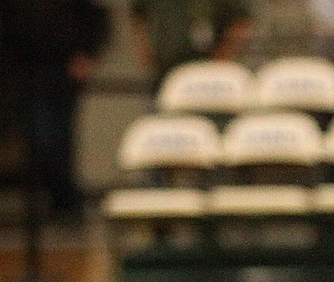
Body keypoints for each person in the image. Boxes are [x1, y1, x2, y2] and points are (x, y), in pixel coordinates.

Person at [0, 0, 111, 221]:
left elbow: (95, 19)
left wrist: (86, 54)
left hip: (60, 72)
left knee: (55, 139)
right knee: (40, 139)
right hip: (25, 74)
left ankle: (65, 202)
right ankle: (58, 200)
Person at [130, 0, 255, 82]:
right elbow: (138, 16)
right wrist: (144, 49)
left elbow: (241, 22)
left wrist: (223, 58)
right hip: (166, 72)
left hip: (210, 73)